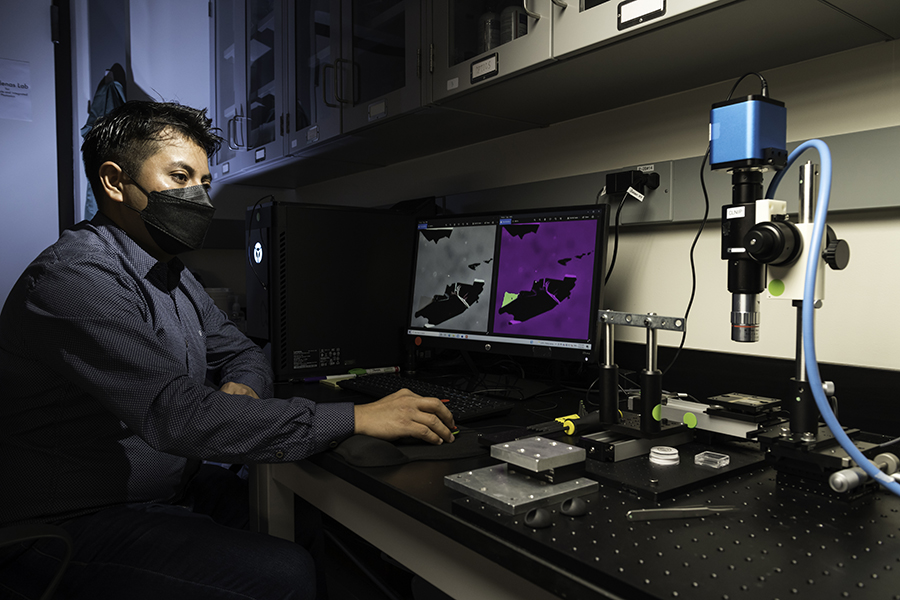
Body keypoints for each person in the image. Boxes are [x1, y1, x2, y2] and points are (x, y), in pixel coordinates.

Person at [0, 101, 455, 600]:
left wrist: (244, 387)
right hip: (71, 520)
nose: (200, 197)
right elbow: (179, 416)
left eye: (204, 181)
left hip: (170, 488)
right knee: (281, 573)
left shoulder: (171, 274)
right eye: (179, 176)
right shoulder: (75, 279)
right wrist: (356, 417)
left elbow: (243, 352)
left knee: (307, 520)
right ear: (114, 182)